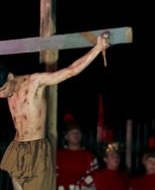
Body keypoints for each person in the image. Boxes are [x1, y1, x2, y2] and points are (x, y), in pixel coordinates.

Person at [0, 33, 111, 190]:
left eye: (4, 89)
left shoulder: (35, 82)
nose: (2, 95)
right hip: (17, 146)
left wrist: (98, 48)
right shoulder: (6, 91)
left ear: (10, 76)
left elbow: (70, 71)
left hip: (36, 148)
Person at [56, 115, 99, 190]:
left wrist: (81, 185)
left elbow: (95, 177)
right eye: (72, 132)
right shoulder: (57, 155)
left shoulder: (89, 156)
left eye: (78, 132)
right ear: (66, 136)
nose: (76, 135)